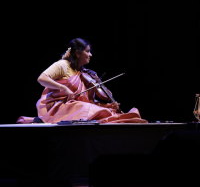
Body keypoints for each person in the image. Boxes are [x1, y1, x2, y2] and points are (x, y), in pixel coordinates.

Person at [17, 38, 147, 124]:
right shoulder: (62, 65)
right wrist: (65, 88)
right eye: (88, 51)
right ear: (78, 53)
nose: (90, 55)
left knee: (106, 110)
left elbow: (86, 99)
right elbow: (42, 79)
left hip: (75, 104)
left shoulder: (84, 72)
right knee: (85, 108)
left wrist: (107, 104)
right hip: (59, 106)